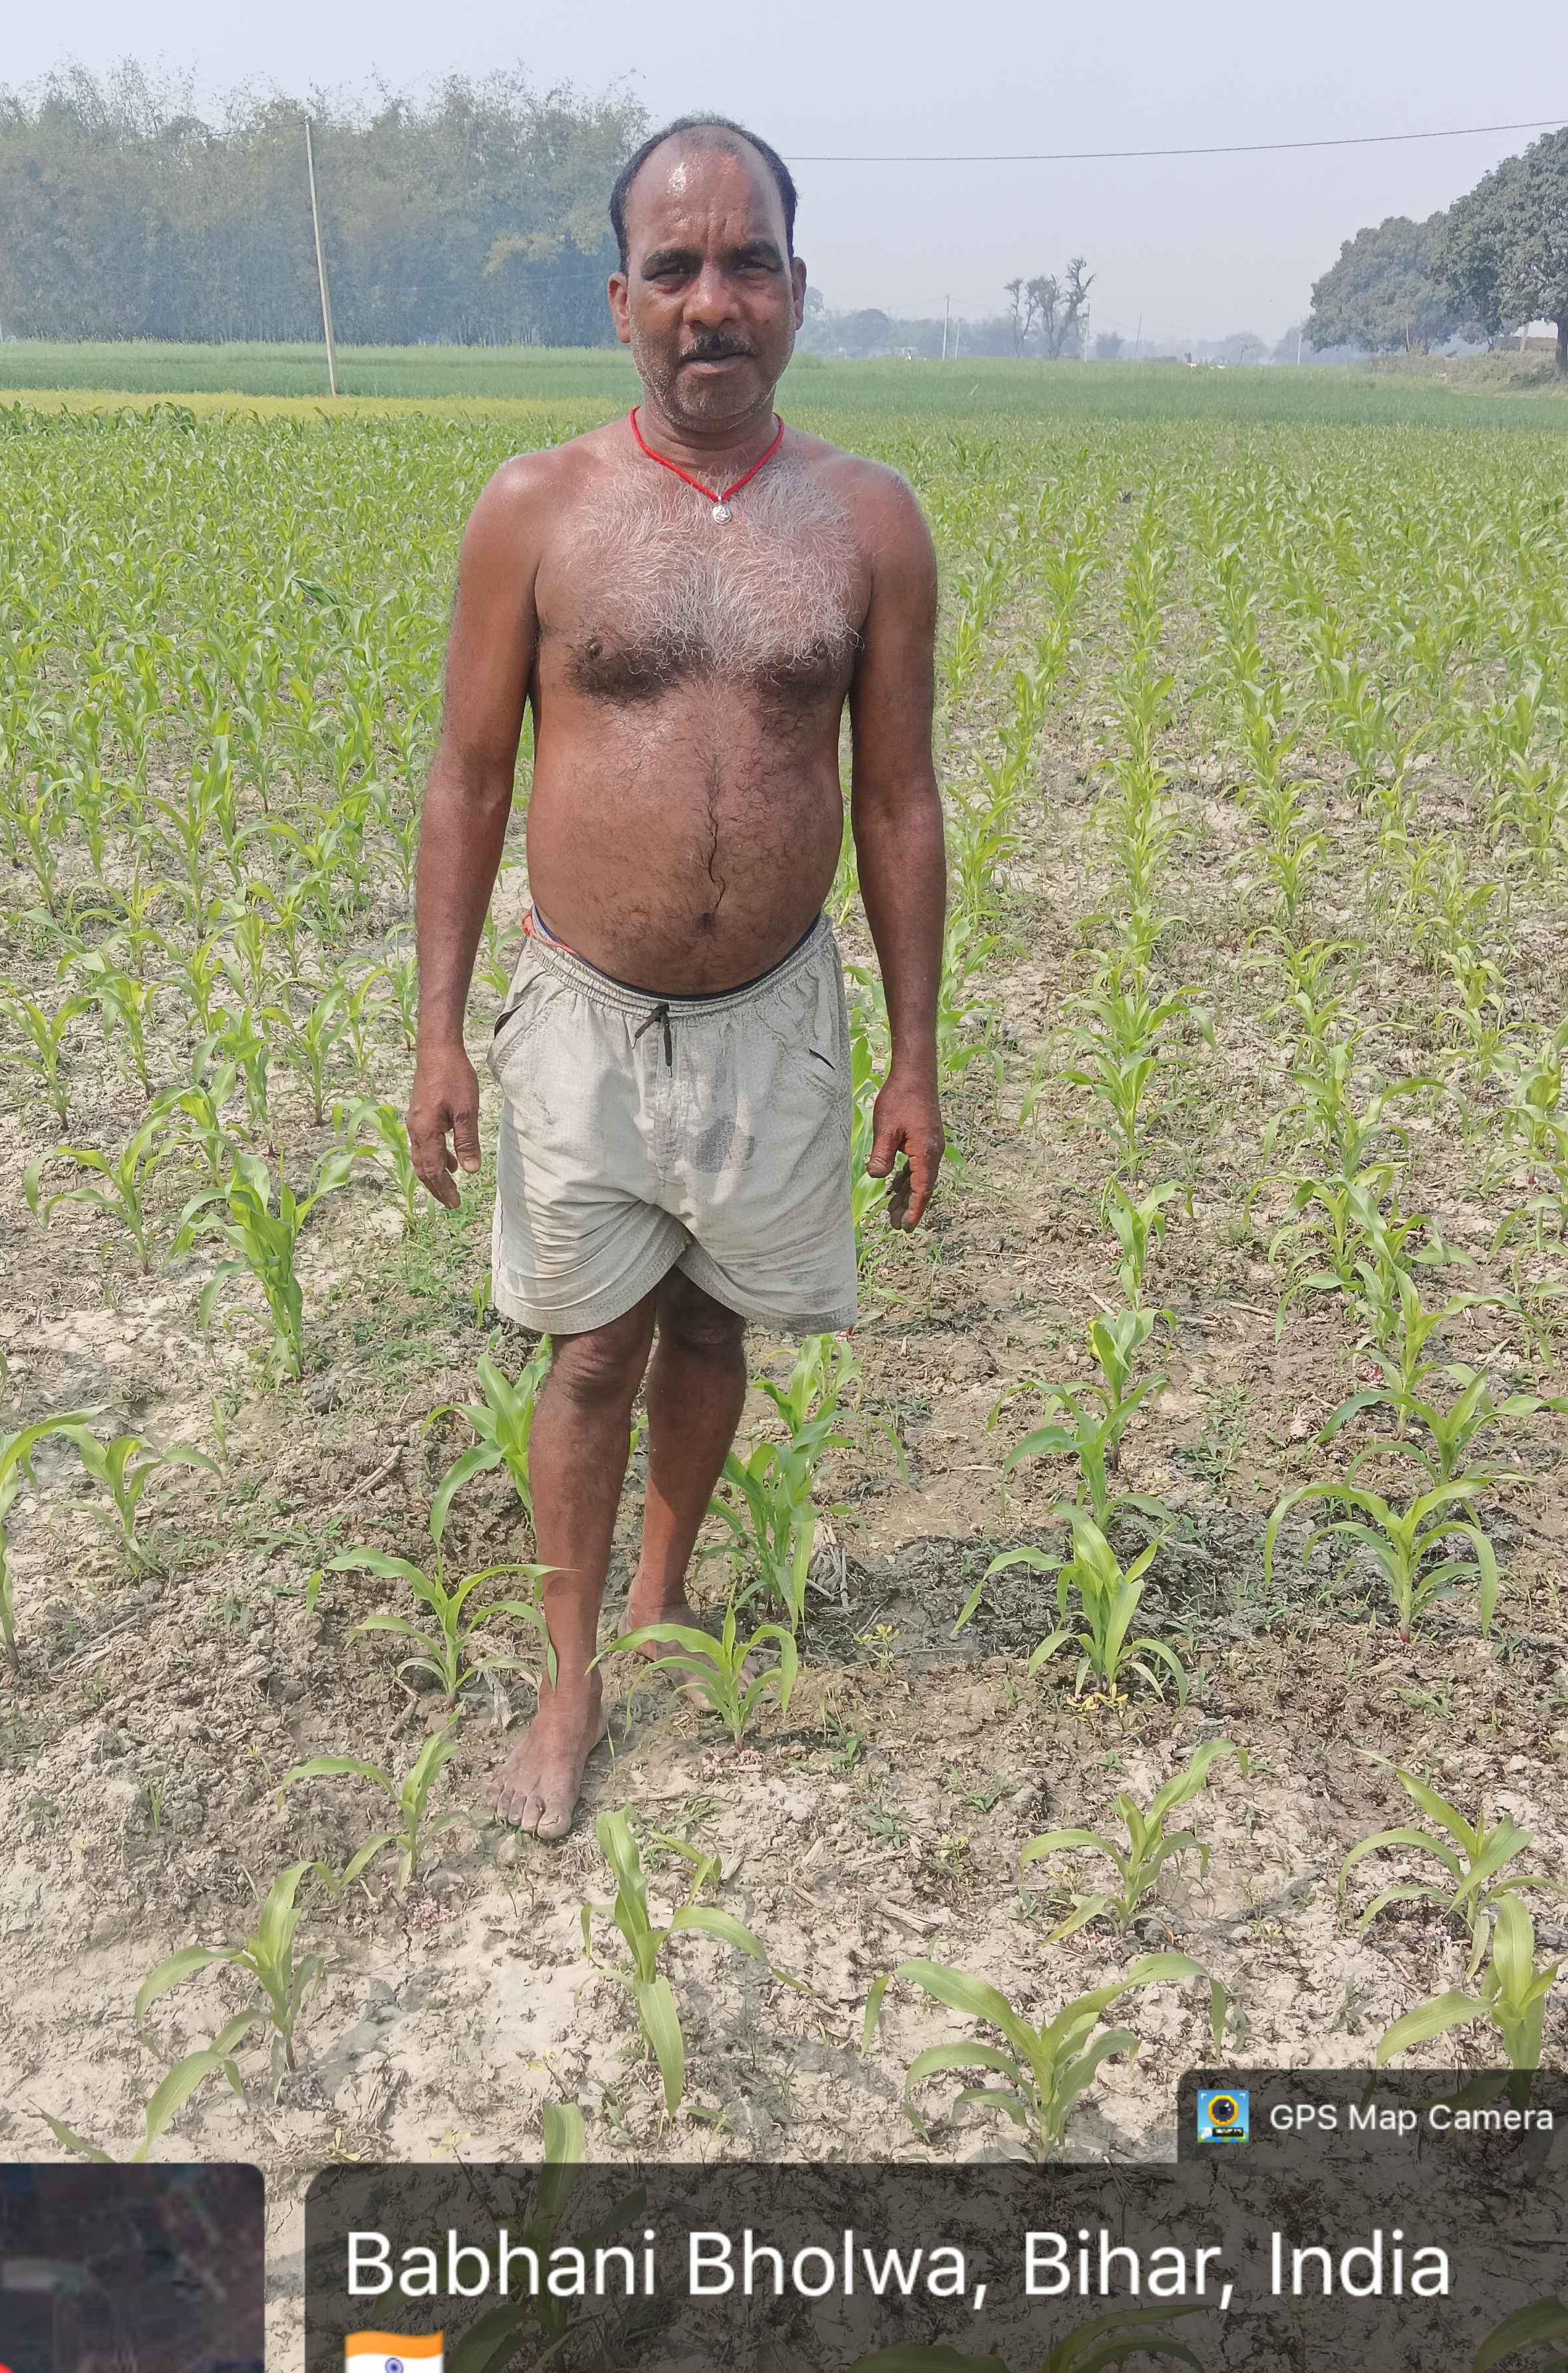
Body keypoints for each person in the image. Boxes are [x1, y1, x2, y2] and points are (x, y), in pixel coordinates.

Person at [405, 113, 947, 1840]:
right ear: (620, 299)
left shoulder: (868, 521)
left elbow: (897, 797)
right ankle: (567, 1677)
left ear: (796, 289)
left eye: (748, 264)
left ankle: (662, 1594)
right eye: (676, 267)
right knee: (590, 1353)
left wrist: (915, 1055)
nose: (713, 300)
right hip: (584, 1014)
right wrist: (436, 1034)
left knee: (714, 1321)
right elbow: (468, 779)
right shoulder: (536, 510)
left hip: (775, 1013)